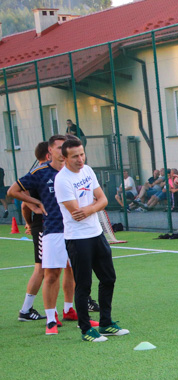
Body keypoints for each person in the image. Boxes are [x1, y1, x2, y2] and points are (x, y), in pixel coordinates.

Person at [53, 138, 128, 342]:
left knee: (108, 278)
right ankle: (86, 329)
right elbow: (76, 212)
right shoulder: (62, 180)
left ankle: (105, 323)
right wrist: (93, 206)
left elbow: (103, 200)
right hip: (78, 239)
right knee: (84, 285)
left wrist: (91, 208)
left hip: (96, 234)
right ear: (65, 158)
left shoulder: (88, 170)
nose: (80, 159)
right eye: (75, 156)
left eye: (82, 154)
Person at [7, 137, 79, 332]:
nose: (63, 151)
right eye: (59, 147)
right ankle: (50, 318)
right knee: (50, 273)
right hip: (53, 229)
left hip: (74, 229)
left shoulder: (74, 170)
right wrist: (35, 204)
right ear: (50, 151)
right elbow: (13, 191)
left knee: (72, 270)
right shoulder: (41, 172)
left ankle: (69, 309)